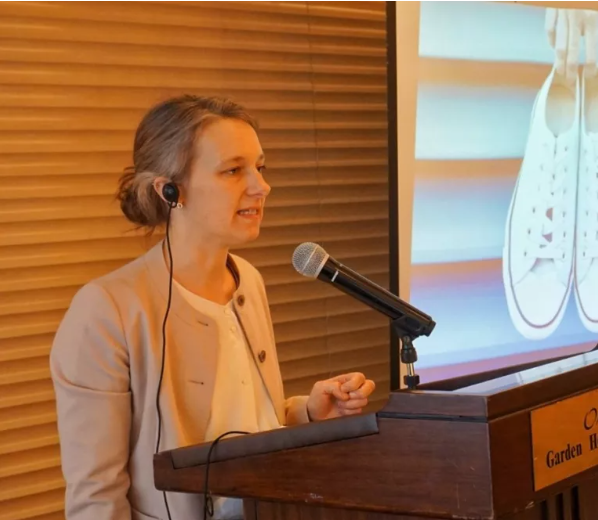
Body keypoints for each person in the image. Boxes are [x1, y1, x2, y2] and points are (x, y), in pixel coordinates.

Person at [49, 95, 376, 520]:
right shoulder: (107, 309)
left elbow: (243, 420)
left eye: (260, 167)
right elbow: (95, 497)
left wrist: (307, 412)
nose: (261, 186)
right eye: (233, 170)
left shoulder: (248, 280)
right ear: (170, 191)